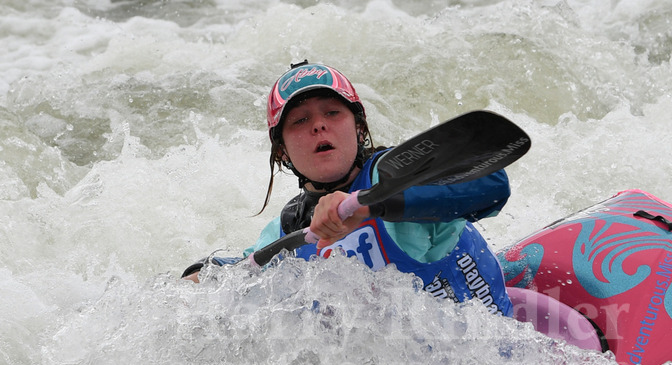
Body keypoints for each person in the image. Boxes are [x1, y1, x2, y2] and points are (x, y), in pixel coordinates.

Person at [183, 61, 513, 317]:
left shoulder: (394, 172)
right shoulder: (290, 225)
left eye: (332, 112)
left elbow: (492, 185)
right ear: (282, 150)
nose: (318, 125)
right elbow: (248, 269)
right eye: (299, 120)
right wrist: (201, 276)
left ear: (358, 128)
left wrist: (370, 205)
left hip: (489, 364)